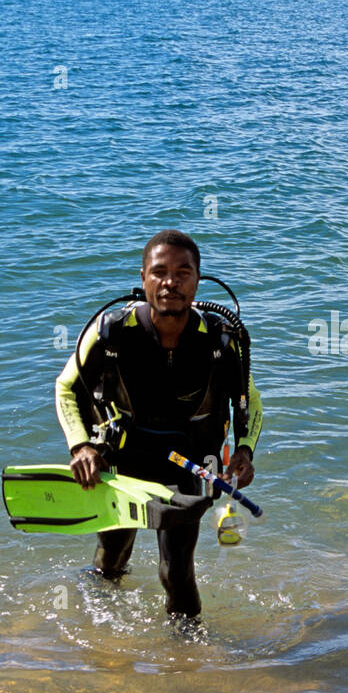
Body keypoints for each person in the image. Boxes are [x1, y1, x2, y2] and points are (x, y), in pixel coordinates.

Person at [54, 230, 262, 621]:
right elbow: (66, 388)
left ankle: (188, 658)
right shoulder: (111, 332)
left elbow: (250, 402)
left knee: (177, 572)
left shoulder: (219, 340)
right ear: (144, 277)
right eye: (160, 271)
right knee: (111, 557)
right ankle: (100, 632)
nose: (171, 281)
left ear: (198, 280)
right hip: (121, 461)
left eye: (184, 272)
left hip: (188, 464)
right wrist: (80, 446)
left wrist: (245, 451)